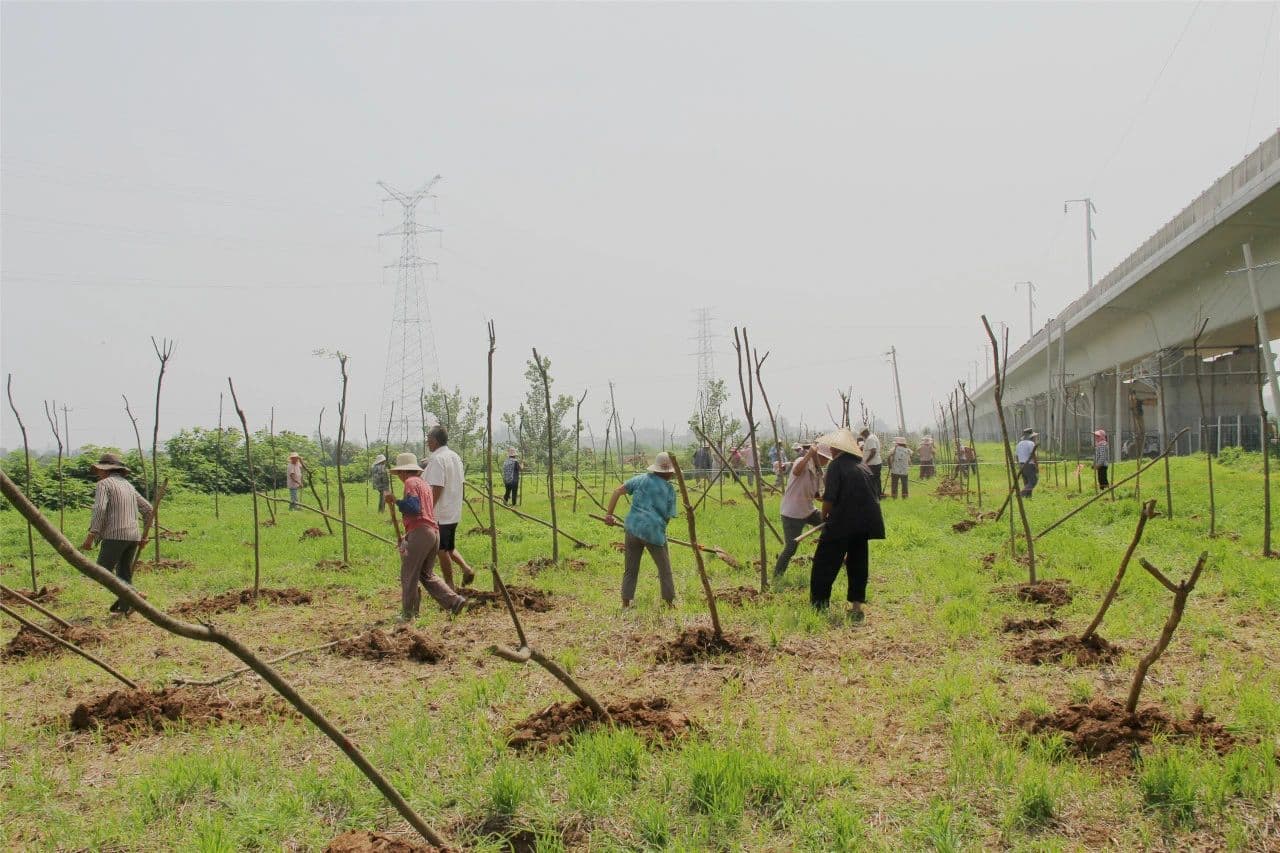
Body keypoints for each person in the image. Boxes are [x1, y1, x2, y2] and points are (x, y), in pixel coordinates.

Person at [810, 428, 884, 620]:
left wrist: (824, 517)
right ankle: (857, 606)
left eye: (832, 447)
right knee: (858, 561)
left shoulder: (836, 465)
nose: (830, 450)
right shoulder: (863, 466)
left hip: (842, 521)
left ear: (838, 449)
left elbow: (829, 498)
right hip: (864, 522)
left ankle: (819, 605)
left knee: (824, 562)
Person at [385, 453, 466, 621]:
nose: (399, 476)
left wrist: (396, 501)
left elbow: (414, 508)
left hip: (421, 533)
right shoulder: (424, 484)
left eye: (399, 473)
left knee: (409, 573)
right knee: (426, 574)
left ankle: (408, 614)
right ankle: (454, 601)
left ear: (403, 472)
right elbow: (422, 512)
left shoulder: (410, 482)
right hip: (433, 533)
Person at [80, 452, 153, 617]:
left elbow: (100, 509)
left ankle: (134, 595)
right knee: (123, 573)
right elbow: (148, 509)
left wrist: (91, 535)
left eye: (99, 470)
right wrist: (144, 535)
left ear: (105, 470)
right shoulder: (128, 485)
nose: (98, 473)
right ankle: (124, 609)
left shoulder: (103, 484)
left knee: (101, 571)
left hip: (115, 535)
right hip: (133, 536)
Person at [603, 451, 679, 608]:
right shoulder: (669, 489)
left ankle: (625, 603)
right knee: (664, 569)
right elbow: (668, 517)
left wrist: (609, 515)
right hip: (653, 532)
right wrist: (659, 530)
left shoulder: (640, 479)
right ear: (668, 472)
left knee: (630, 569)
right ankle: (669, 603)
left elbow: (617, 491)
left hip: (632, 529)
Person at [422, 425, 476, 590]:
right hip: (453, 510)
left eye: (428, 439)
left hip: (441, 513)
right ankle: (466, 569)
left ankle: (450, 586)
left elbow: (437, 487)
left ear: (434, 440)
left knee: (441, 550)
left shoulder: (437, 459)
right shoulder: (454, 456)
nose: (427, 442)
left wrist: (428, 511)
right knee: (448, 546)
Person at [773, 442, 832, 579]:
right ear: (819, 456)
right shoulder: (802, 462)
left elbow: (817, 495)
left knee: (831, 525)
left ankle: (827, 560)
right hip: (792, 513)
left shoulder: (818, 472)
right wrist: (809, 455)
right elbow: (796, 471)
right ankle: (777, 576)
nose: (827, 461)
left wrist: (832, 502)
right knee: (791, 547)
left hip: (809, 510)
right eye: (825, 458)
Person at [1016, 427, 1039, 498]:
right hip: (1029, 465)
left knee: (1026, 482)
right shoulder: (1031, 443)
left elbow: (1016, 456)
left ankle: (1028, 497)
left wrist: (1019, 464)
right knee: (1033, 481)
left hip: (1021, 464)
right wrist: (1036, 465)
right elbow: (1033, 455)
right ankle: (1021, 494)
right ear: (1031, 437)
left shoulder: (1019, 444)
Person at [859, 428, 882, 497]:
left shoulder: (870, 439)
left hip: (872, 464)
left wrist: (865, 462)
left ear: (865, 433)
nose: (863, 436)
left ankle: (874, 496)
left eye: (862, 435)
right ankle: (878, 496)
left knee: (872, 481)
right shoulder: (873, 436)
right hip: (876, 463)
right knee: (876, 481)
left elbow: (873, 451)